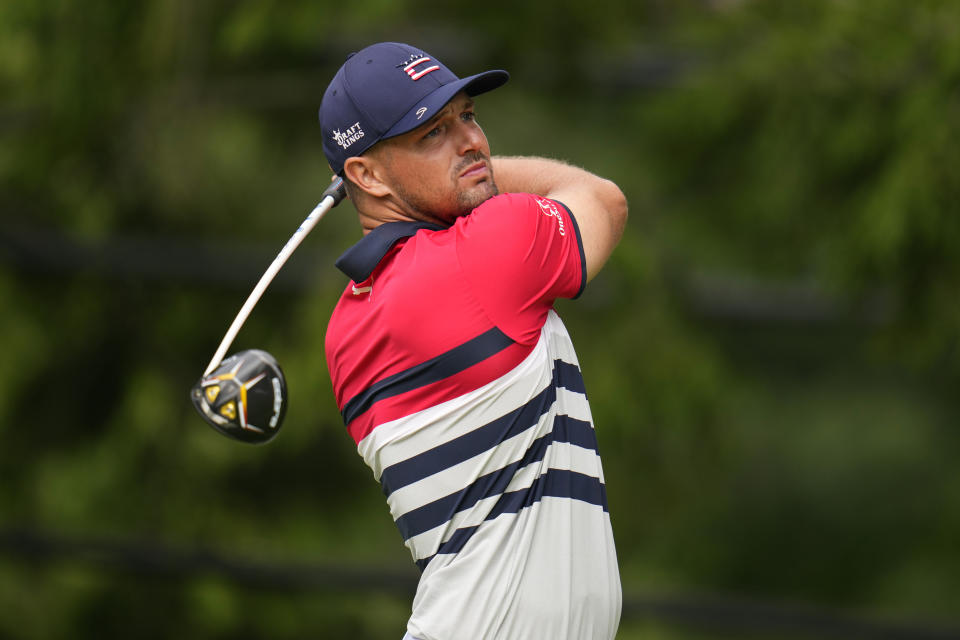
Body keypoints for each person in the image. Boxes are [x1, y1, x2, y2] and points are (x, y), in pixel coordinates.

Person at [319, 42, 627, 640]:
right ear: (365, 174)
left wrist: (455, 173)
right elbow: (601, 198)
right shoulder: (488, 249)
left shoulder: (345, 327)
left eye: (468, 116)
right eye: (433, 132)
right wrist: (480, 176)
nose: (472, 141)